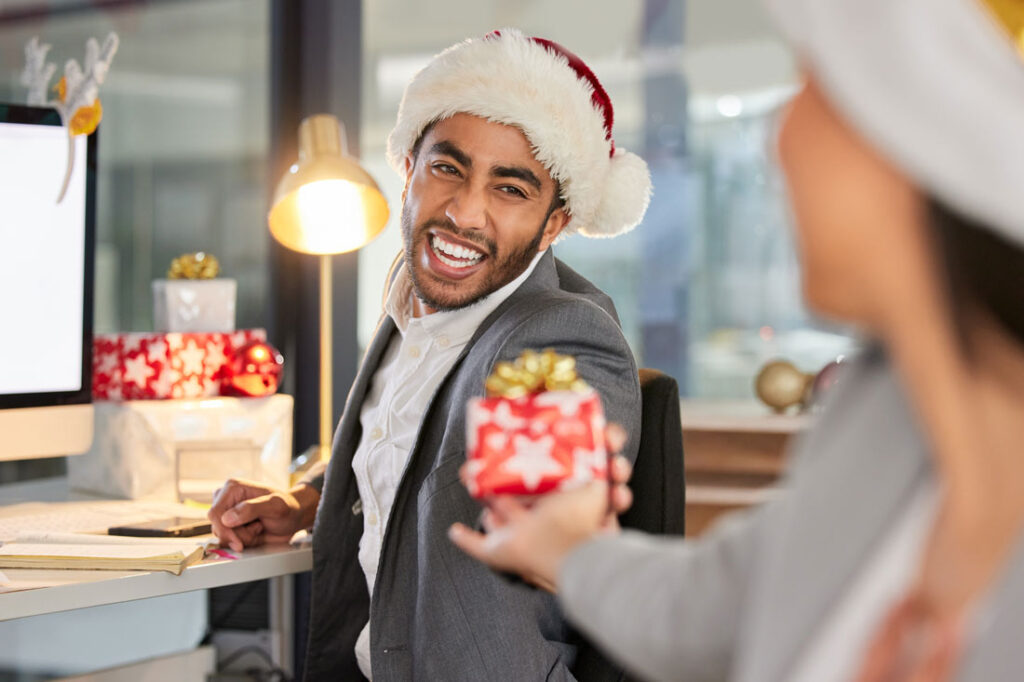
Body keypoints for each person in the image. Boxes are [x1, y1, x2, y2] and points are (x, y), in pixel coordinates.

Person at [450, 1, 1024, 681]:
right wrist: (563, 544)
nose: (779, 137)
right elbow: (710, 610)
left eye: (817, 86)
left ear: (929, 132)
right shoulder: (876, 421)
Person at [208, 29, 652, 680]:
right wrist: (306, 500)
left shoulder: (561, 334)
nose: (464, 214)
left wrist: (561, 507)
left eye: (510, 189)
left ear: (555, 222)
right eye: (448, 168)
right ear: (410, 166)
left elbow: (549, 489)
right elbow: (421, 450)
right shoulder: (414, 303)